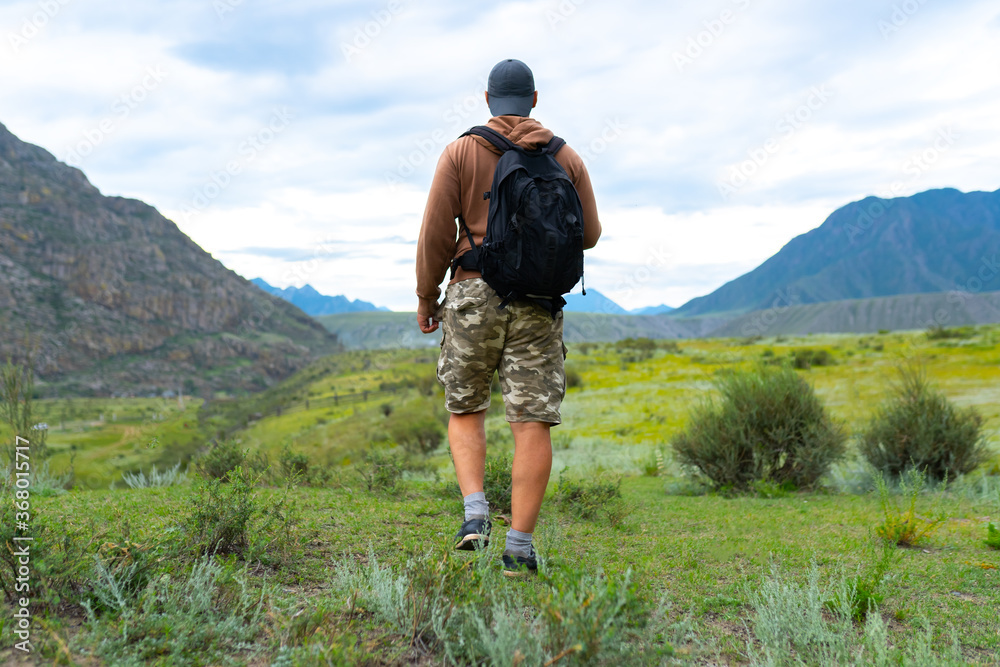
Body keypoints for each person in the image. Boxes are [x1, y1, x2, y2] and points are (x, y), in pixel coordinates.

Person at [415, 58, 602, 576]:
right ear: (535, 99)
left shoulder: (460, 152)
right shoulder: (567, 157)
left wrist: (426, 298)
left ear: (487, 98)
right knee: (531, 422)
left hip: (473, 295)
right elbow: (590, 234)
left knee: (466, 408)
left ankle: (474, 517)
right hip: (538, 304)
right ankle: (519, 548)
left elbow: (434, 234)